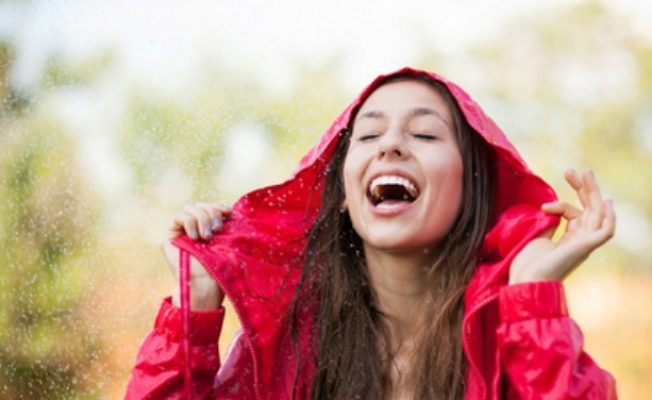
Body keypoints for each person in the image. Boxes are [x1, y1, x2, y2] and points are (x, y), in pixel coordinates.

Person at [125, 67, 617, 399]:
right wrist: (193, 309)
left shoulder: (512, 335)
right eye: (369, 134)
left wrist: (532, 299)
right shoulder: (287, 345)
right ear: (340, 192)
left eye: (424, 134)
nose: (392, 146)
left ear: (473, 188)